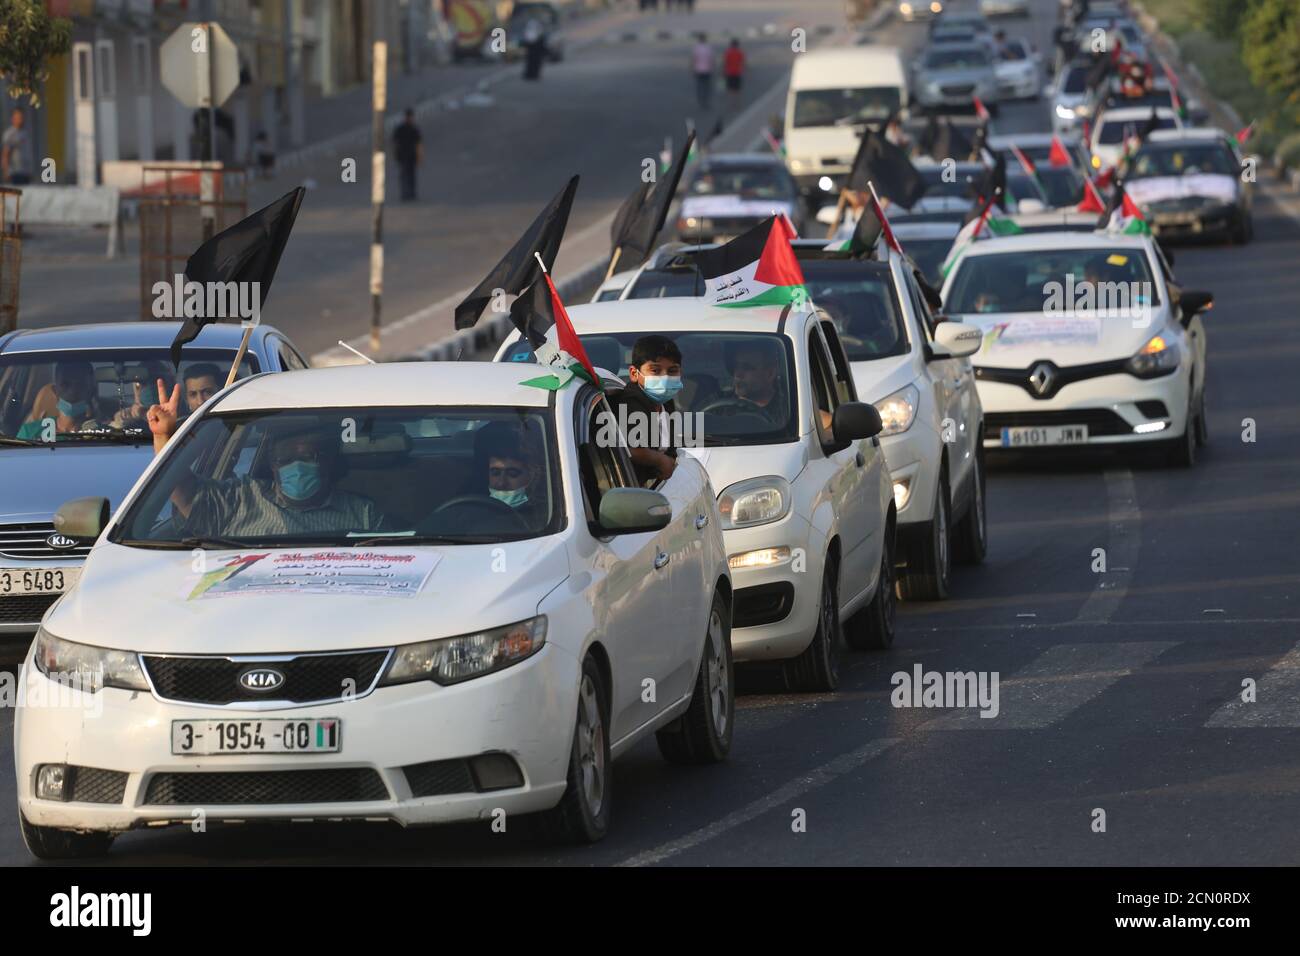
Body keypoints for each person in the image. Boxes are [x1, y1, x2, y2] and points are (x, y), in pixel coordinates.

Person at [146, 382, 385, 537]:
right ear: (272, 464)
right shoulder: (240, 499)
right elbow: (182, 491)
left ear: (328, 461)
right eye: (287, 458)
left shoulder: (362, 514)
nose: (297, 466)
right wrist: (163, 436)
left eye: (308, 456)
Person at [608, 335, 682, 484]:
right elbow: (632, 448)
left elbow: (670, 447)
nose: (665, 378)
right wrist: (660, 460)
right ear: (634, 374)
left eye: (672, 371)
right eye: (655, 370)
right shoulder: (630, 401)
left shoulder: (666, 404)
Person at [17, 361, 101, 439]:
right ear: (55, 391)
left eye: (80, 385)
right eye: (65, 384)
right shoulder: (29, 433)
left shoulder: (103, 434)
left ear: (91, 391)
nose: (72, 391)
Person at [393, 108, 423, 202]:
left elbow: (418, 144)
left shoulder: (414, 129)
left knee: (411, 175)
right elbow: (395, 143)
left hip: (411, 156)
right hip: (402, 156)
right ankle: (405, 193)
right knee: (404, 175)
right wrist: (395, 154)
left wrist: (419, 156)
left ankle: (411, 193)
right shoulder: (401, 129)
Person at [2, 107, 31, 185]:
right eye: (18, 117)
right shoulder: (10, 134)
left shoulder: (25, 133)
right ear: (13, 119)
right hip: (15, 173)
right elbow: (5, 154)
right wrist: (6, 172)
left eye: (21, 117)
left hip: (25, 173)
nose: (20, 120)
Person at [691, 34, 715, 111]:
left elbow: (694, 59)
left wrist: (692, 69)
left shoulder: (696, 48)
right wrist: (713, 67)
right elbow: (711, 59)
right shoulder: (708, 48)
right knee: (706, 87)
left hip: (698, 70)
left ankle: (700, 101)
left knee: (699, 86)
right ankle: (705, 101)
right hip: (707, 70)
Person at [723, 39, 745, 114]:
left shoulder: (728, 52)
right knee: (737, 90)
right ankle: (737, 105)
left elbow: (725, 62)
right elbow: (743, 62)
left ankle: (731, 104)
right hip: (737, 72)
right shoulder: (739, 52)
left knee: (730, 90)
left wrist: (722, 71)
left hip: (729, 72)